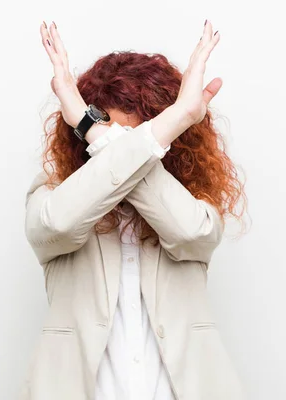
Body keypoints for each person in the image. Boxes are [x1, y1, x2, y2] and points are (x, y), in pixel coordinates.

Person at [20, 19, 247, 400]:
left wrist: (90, 126)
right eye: (114, 137)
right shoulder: (53, 195)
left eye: (142, 137)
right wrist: (177, 117)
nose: (129, 149)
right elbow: (58, 225)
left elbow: (190, 233)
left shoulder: (197, 204)